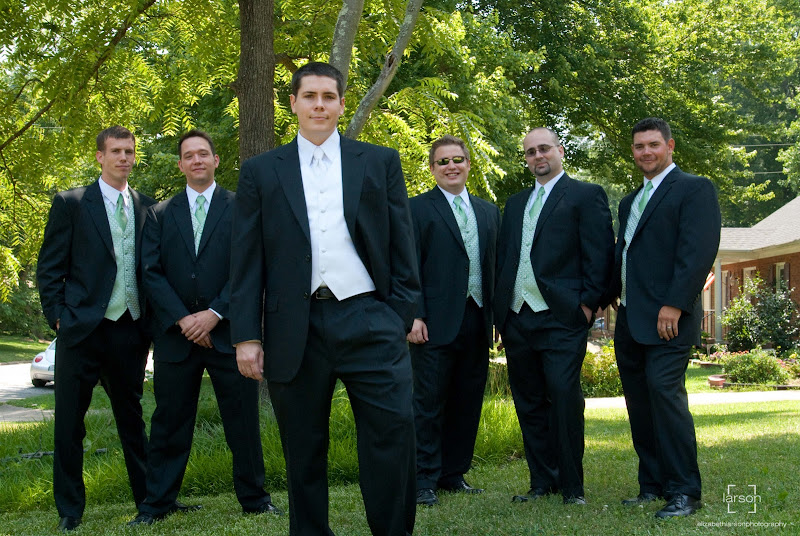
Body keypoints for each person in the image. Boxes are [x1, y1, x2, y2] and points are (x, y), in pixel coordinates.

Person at [229, 62, 419, 536]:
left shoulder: (379, 162)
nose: (319, 105)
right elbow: (246, 260)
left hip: (370, 317)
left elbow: (403, 243)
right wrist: (246, 335)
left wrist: (400, 313)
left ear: (341, 104)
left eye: (328, 96)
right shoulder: (260, 171)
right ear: (293, 103)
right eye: (310, 96)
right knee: (303, 449)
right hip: (295, 325)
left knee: (392, 437)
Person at [127, 131, 282, 526]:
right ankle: (156, 504)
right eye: (189, 155)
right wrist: (184, 319)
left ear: (215, 160)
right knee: (169, 422)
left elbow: (250, 267)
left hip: (230, 334)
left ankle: (255, 499)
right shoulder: (159, 214)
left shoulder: (241, 207)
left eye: (203, 154)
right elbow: (150, 272)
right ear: (180, 164)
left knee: (242, 420)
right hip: (176, 337)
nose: (196, 160)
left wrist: (214, 312)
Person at [37, 126, 156, 532]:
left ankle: (148, 500)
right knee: (70, 422)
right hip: (82, 330)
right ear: (100, 157)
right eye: (116, 151)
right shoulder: (71, 203)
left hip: (130, 330)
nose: (124, 158)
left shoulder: (146, 206)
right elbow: (50, 267)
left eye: (129, 151)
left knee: (132, 419)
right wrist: (58, 317)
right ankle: (70, 509)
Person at [494, 128, 614, 505]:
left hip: (562, 316)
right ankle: (541, 482)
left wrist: (587, 304)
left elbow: (600, 255)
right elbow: (506, 257)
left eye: (544, 148)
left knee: (563, 397)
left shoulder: (585, 195)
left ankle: (572, 487)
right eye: (530, 152)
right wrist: (501, 313)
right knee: (528, 401)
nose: (538, 156)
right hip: (517, 317)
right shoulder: (515, 203)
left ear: (560, 151)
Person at [607, 117, 720, 518]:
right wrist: (606, 295)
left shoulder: (694, 189)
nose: (646, 152)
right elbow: (626, 254)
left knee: (665, 395)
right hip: (630, 318)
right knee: (639, 403)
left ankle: (685, 491)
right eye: (639, 146)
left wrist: (675, 304)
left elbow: (698, 251)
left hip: (669, 319)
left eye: (654, 144)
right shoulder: (629, 201)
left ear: (670, 146)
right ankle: (652, 485)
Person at [407, 135, 500, 506]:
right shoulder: (416, 209)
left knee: (467, 399)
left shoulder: (488, 211)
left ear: (468, 165)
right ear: (432, 168)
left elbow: (495, 265)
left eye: (457, 159)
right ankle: (423, 479)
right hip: (432, 322)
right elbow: (407, 265)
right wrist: (413, 314)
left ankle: (453, 474)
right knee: (428, 402)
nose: (451, 166)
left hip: (477, 318)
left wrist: (499, 317)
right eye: (443, 161)